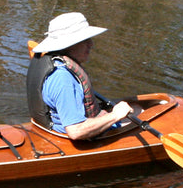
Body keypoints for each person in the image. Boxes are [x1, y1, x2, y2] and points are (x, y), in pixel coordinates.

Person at [26, 12, 133, 140]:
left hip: (49, 128)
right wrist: (115, 115)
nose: (91, 44)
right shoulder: (62, 78)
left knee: (137, 107)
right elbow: (76, 131)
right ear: (69, 44)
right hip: (70, 138)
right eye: (85, 40)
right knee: (140, 116)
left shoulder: (52, 62)